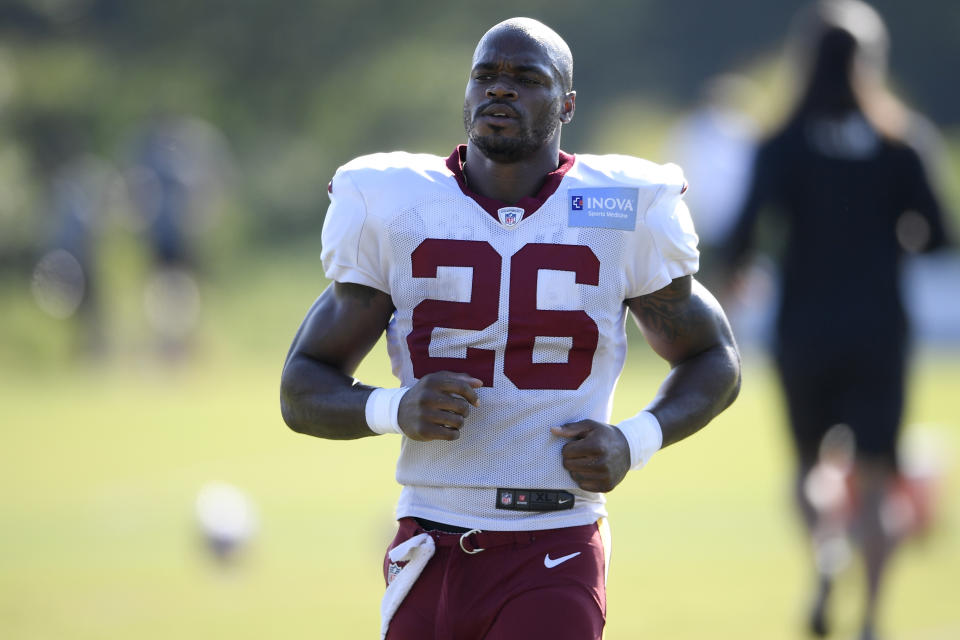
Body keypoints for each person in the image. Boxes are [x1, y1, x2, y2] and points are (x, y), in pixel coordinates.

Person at [281, 17, 741, 640]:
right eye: (485, 76)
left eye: (526, 79)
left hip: (556, 539)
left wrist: (633, 441)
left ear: (567, 104)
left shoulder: (619, 209)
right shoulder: (398, 206)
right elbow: (302, 386)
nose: (500, 90)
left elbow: (715, 357)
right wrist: (393, 408)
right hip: (430, 538)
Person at [722, 2, 953, 639]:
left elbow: (744, 234)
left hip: (805, 326)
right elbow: (937, 237)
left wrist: (738, 276)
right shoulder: (902, 143)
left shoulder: (782, 142)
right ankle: (873, 619)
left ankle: (828, 553)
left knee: (807, 468)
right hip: (880, 326)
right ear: (871, 62)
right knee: (878, 482)